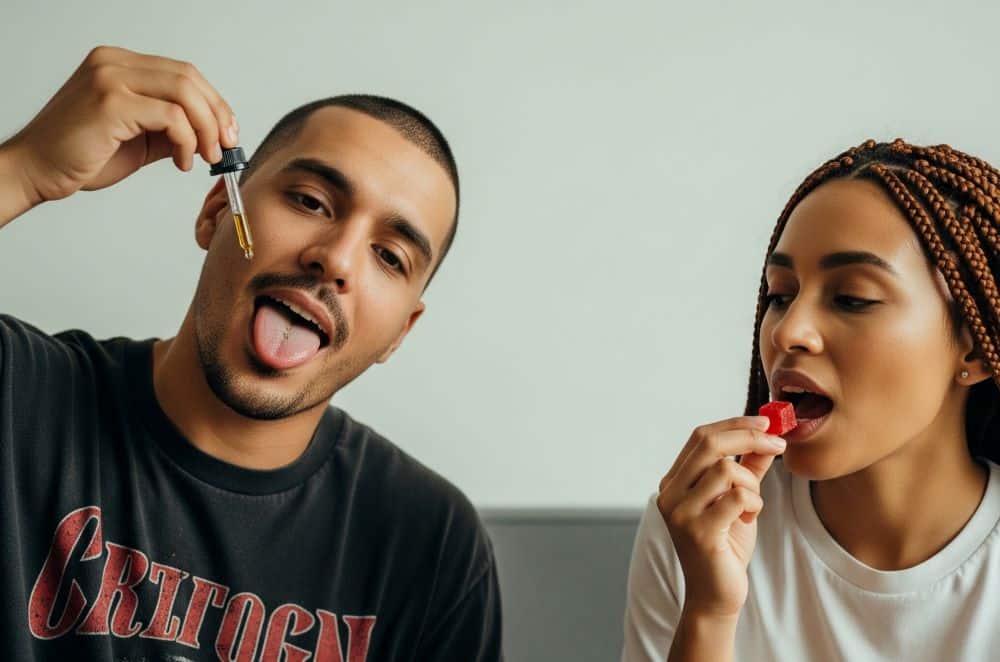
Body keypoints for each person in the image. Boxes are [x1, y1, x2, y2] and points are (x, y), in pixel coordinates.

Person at [0, 45, 502, 661]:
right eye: (311, 202)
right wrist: (21, 170)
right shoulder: (19, 394)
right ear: (218, 211)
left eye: (390, 257)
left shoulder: (432, 543)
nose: (336, 259)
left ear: (400, 333)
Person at [622, 139, 1000, 661]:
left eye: (852, 299)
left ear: (976, 347)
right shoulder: (699, 526)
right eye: (781, 294)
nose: (788, 332)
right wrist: (708, 613)